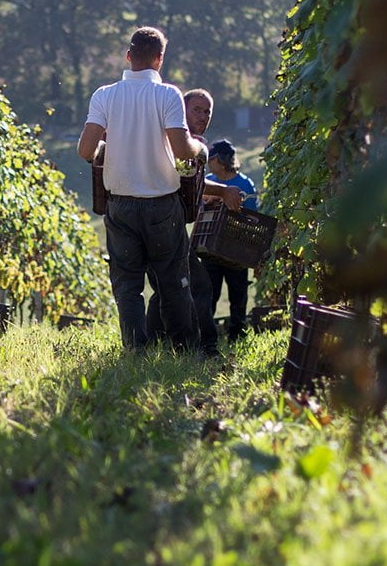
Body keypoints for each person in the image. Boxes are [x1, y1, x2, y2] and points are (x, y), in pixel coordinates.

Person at [77, 27, 207, 351]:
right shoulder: (167, 95)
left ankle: (135, 350)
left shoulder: (104, 95)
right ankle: (182, 351)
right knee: (173, 282)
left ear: (128, 56)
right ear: (160, 59)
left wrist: (112, 143)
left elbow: (85, 150)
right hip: (162, 204)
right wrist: (199, 150)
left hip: (119, 205)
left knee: (127, 284)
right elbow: (181, 150)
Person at [144, 87, 241, 355]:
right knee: (197, 285)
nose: (203, 115)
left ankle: (147, 344)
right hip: (163, 222)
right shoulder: (179, 140)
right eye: (197, 109)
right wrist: (222, 191)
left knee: (164, 287)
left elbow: (186, 181)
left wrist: (205, 196)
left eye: (207, 111)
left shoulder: (191, 140)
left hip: (161, 220)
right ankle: (205, 347)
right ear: (181, 110)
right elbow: (178, 178)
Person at [200, 138, 259, 340]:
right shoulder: (207, 180)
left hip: (236, 248)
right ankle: (207, 334)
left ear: (220, 160)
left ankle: (237, 333)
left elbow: (252, 217)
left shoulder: (244, 184)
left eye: (211, 158)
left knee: (238, 292)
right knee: (209, 293)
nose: (208, 162)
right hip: (210, 247)